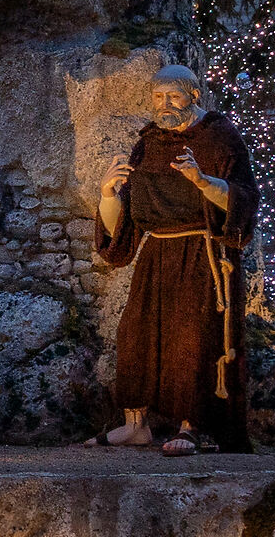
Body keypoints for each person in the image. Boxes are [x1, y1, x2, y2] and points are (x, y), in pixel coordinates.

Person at [96, 64, 260, 455]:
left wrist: (203, 182)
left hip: (204, 255)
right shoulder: (149, 142)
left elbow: (244, 197)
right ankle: (136, 425)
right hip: (156, 253)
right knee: (135, 333)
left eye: (174, 96)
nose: (164, 105)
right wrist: (107, 194)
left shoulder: (220, 138)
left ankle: (192, 426)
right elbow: (126, 222)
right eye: (157, 97)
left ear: (194, 95)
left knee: (193, 339)